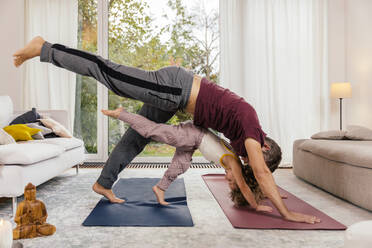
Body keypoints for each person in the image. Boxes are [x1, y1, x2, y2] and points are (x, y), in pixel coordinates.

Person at [13, 36, 320, 224]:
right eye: (257, 162)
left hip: (178, 98)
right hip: (176, 87)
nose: (251, 163)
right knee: (109, 73)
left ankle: (103, 183)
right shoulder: (253, 130)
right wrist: (287, 214)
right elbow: (262, 173)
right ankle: (45, 48)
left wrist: (271, 197)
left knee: (138, 136)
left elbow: (261, 177)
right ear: (265, 148)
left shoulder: (245, 136)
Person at [101, 107, 281, 211]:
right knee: (152, 131)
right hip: (191, 135)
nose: (227, 179)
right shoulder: (234, 162)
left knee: (181, 165)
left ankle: (160, 188)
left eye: (229, 184)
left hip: (193, 142)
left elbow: (251, 184)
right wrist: (255, 206)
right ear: (239, 176)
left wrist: (271, 194)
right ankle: (121, 114)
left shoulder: (232, 159)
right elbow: (245, 186)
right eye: (232, 182)